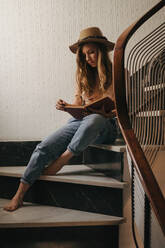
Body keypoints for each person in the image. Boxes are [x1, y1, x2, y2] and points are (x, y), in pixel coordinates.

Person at [4, 27, 117, 211]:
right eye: (84, 55)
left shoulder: (119, 73)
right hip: (82, 122)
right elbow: (79, 103)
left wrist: (107, 112)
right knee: (44, 146)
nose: (88, 58)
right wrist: (67, 107)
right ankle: (19, 194)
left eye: (92, 53)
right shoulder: (83, 75)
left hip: (105, 126)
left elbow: (123, 109)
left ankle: (63, 159)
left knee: (95, 119)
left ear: (102, 52)